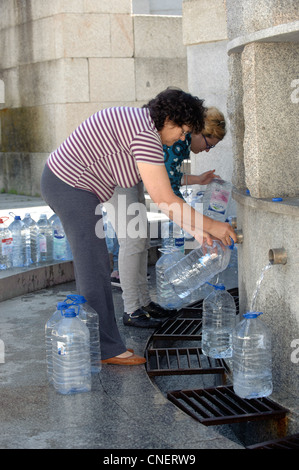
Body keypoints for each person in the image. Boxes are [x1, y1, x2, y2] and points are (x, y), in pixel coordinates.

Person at [41, 88, 236, 365]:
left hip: (75, 185)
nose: (182, 139)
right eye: (182, 131)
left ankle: (104, 345)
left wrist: (199, 231)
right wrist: (214, 226)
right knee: (93, 267)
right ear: (169, 119)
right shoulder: (145, 135)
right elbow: (164, 199)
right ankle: (106, 350)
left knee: (96, 263)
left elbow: (164, 194)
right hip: (69, 185)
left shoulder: (144, 125)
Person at [107, 106, 229, 328]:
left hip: (130, 177)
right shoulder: (180, 141)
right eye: (210, 145)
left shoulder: (181, 143)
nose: (208, 150)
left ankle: (143, 303)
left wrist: (195, 179)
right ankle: (132, 309)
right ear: (199, 132)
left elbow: (165, 176)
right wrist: (200, 229)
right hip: (115, 175)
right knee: (131, 240)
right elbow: (167, 197)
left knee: (140, 239)